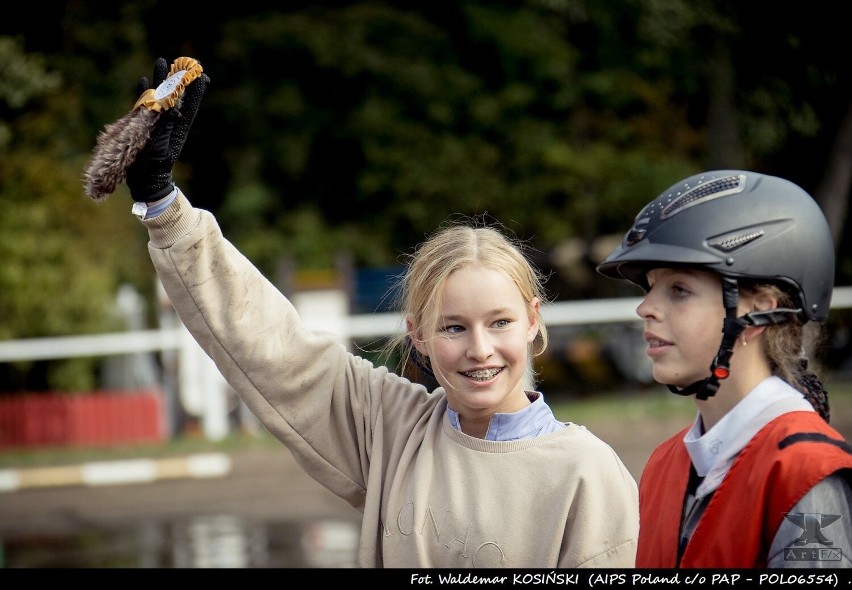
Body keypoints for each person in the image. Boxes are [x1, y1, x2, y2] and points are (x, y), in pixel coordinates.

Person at [99, 57, 639, 568]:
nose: (480, 348)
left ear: (534, 320)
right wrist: (163, 205)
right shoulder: (390, 427)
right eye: (453, 327)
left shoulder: (587, 474)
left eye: (500, 322)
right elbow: (269, 342)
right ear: (418, 335)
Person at [596, 169, 852, 568]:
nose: (645, 308)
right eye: (651, 287)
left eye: (678, 290)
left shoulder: (806, 472)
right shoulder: (665, 464)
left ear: (760, 311)